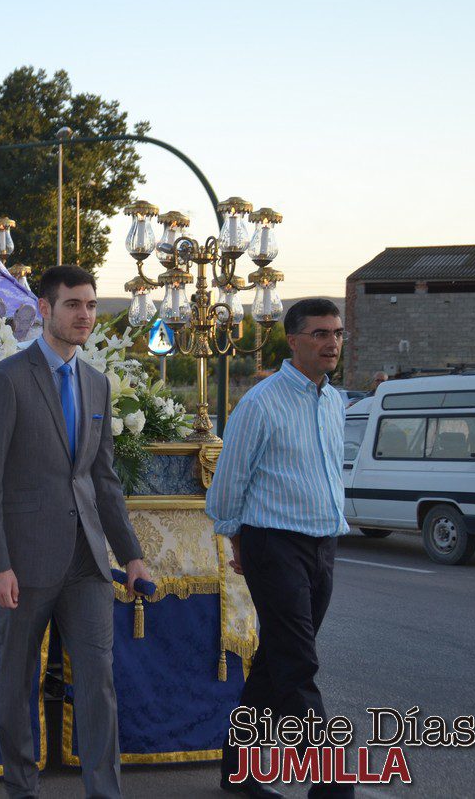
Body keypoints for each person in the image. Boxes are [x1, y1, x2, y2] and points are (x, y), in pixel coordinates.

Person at [0, 265, 150, 799]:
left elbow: (102, 479)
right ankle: (22, 787)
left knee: (100, 684)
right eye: (73, 304)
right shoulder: (6, 379)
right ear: (44, 310)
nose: (85, 315)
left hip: (88, 561)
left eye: (90, 305)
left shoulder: (96, 383)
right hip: (22, 564)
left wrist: (131, 555)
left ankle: (104, 793)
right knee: (15, 681)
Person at [209, 299, 353, 799]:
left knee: (275, 661)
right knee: (298, 663)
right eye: (319, 333)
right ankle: (334, 787)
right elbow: (228, 481)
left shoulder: (335, 401)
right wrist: (237, 540)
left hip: (322, 544)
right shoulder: (261, 402)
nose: (331, 342)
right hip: (273, 544)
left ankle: (237, 767)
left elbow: (330, 473)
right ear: (293, 340)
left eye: (336, 333)